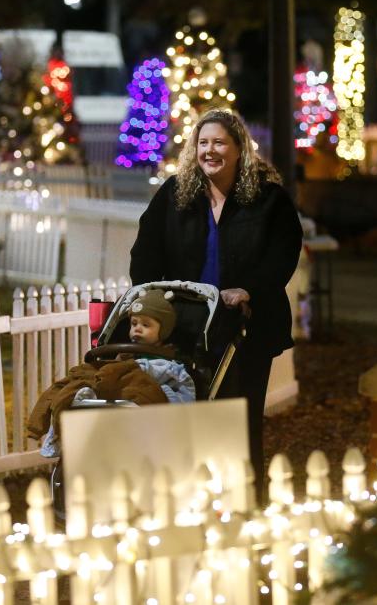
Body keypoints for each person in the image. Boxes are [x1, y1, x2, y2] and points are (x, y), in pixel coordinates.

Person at [129, 107, 303, 495]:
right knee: (187, 412)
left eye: (220, 143)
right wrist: (156, 295)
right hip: (187, 324)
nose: (210, 151)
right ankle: (192, 493)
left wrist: (250, 290)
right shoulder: (176, 194)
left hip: (246, 325)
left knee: (240, 415)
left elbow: (283, 254)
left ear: (240, 148)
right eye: (203, 142)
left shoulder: (267, 198)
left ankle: (246, 495)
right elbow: (145, 252)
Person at [26, 288, 194, 458]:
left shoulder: (169, 360)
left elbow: (177, 382)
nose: (137, 329)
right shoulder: (125, 355)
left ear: (163, 331)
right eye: (134, 323)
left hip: (142, 395)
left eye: (146, 325)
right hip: (118, 397)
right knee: (83, 379)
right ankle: (87, 400)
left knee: (134, 383)